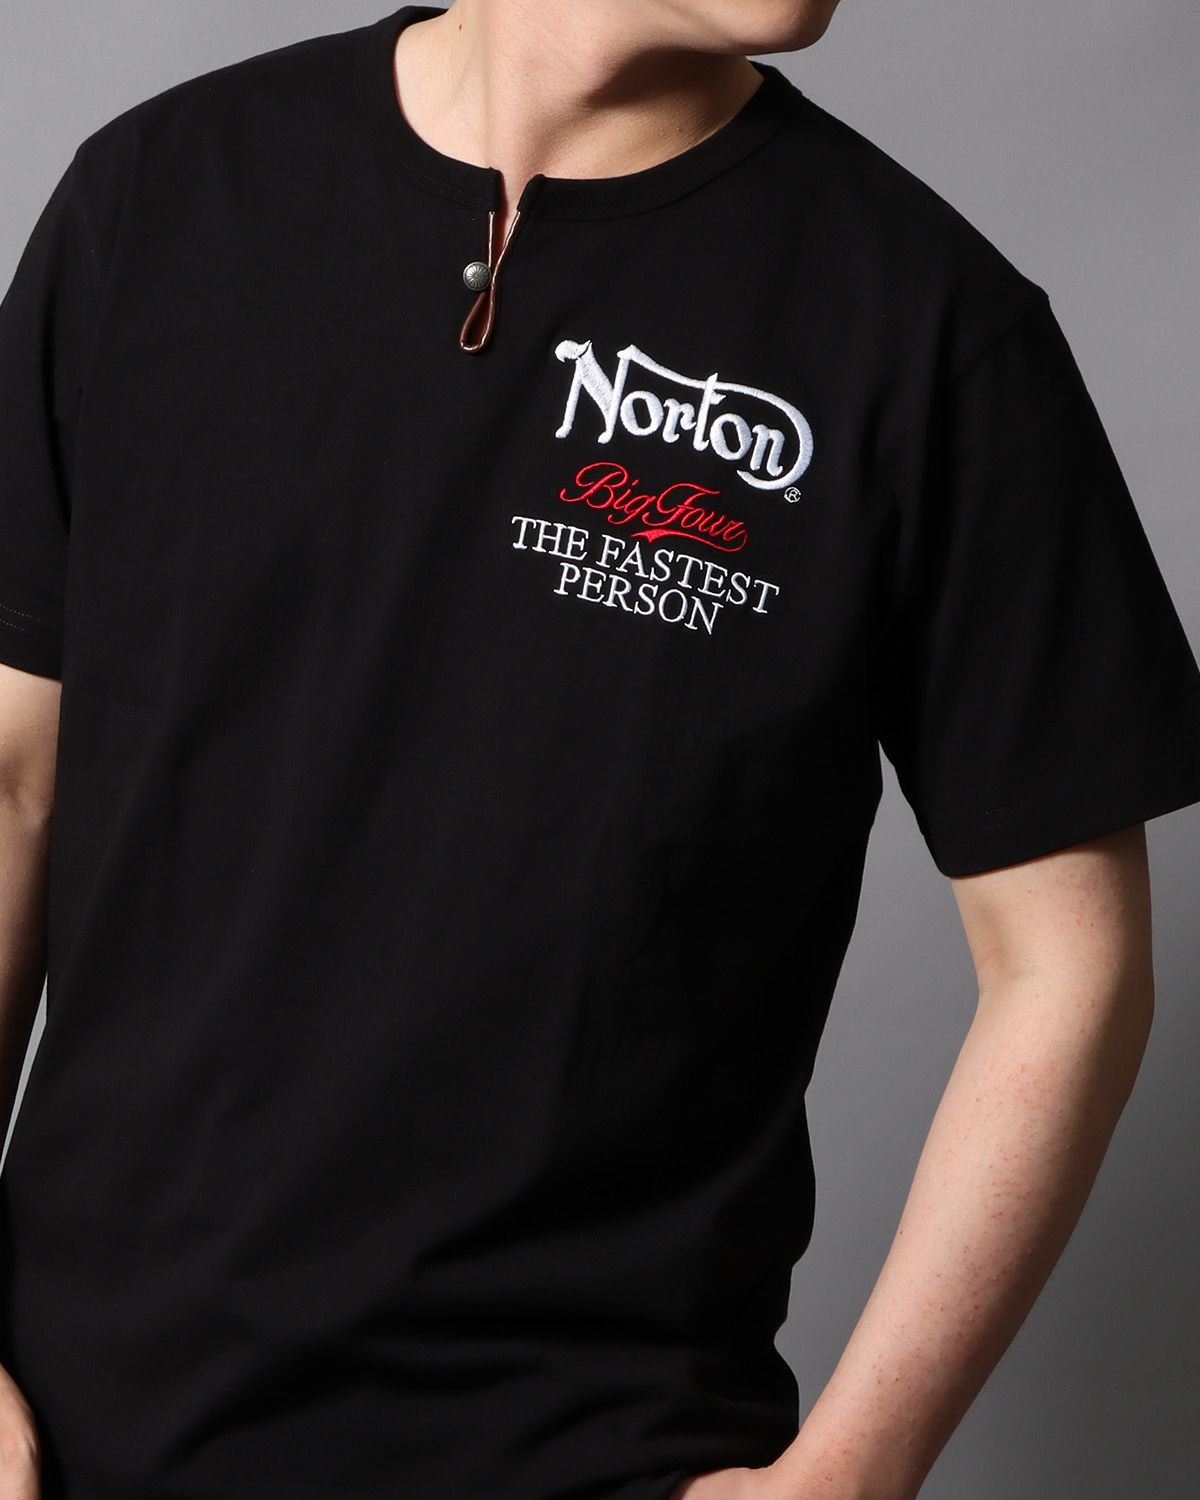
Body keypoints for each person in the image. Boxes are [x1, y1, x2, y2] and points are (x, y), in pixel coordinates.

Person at [0, 3, 1197, 1497]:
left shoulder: (929, 326)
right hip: (73, 1437)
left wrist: (848, 1476)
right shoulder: (163, 191)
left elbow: (1068, 966)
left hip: (583, 1450)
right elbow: (14, 785)